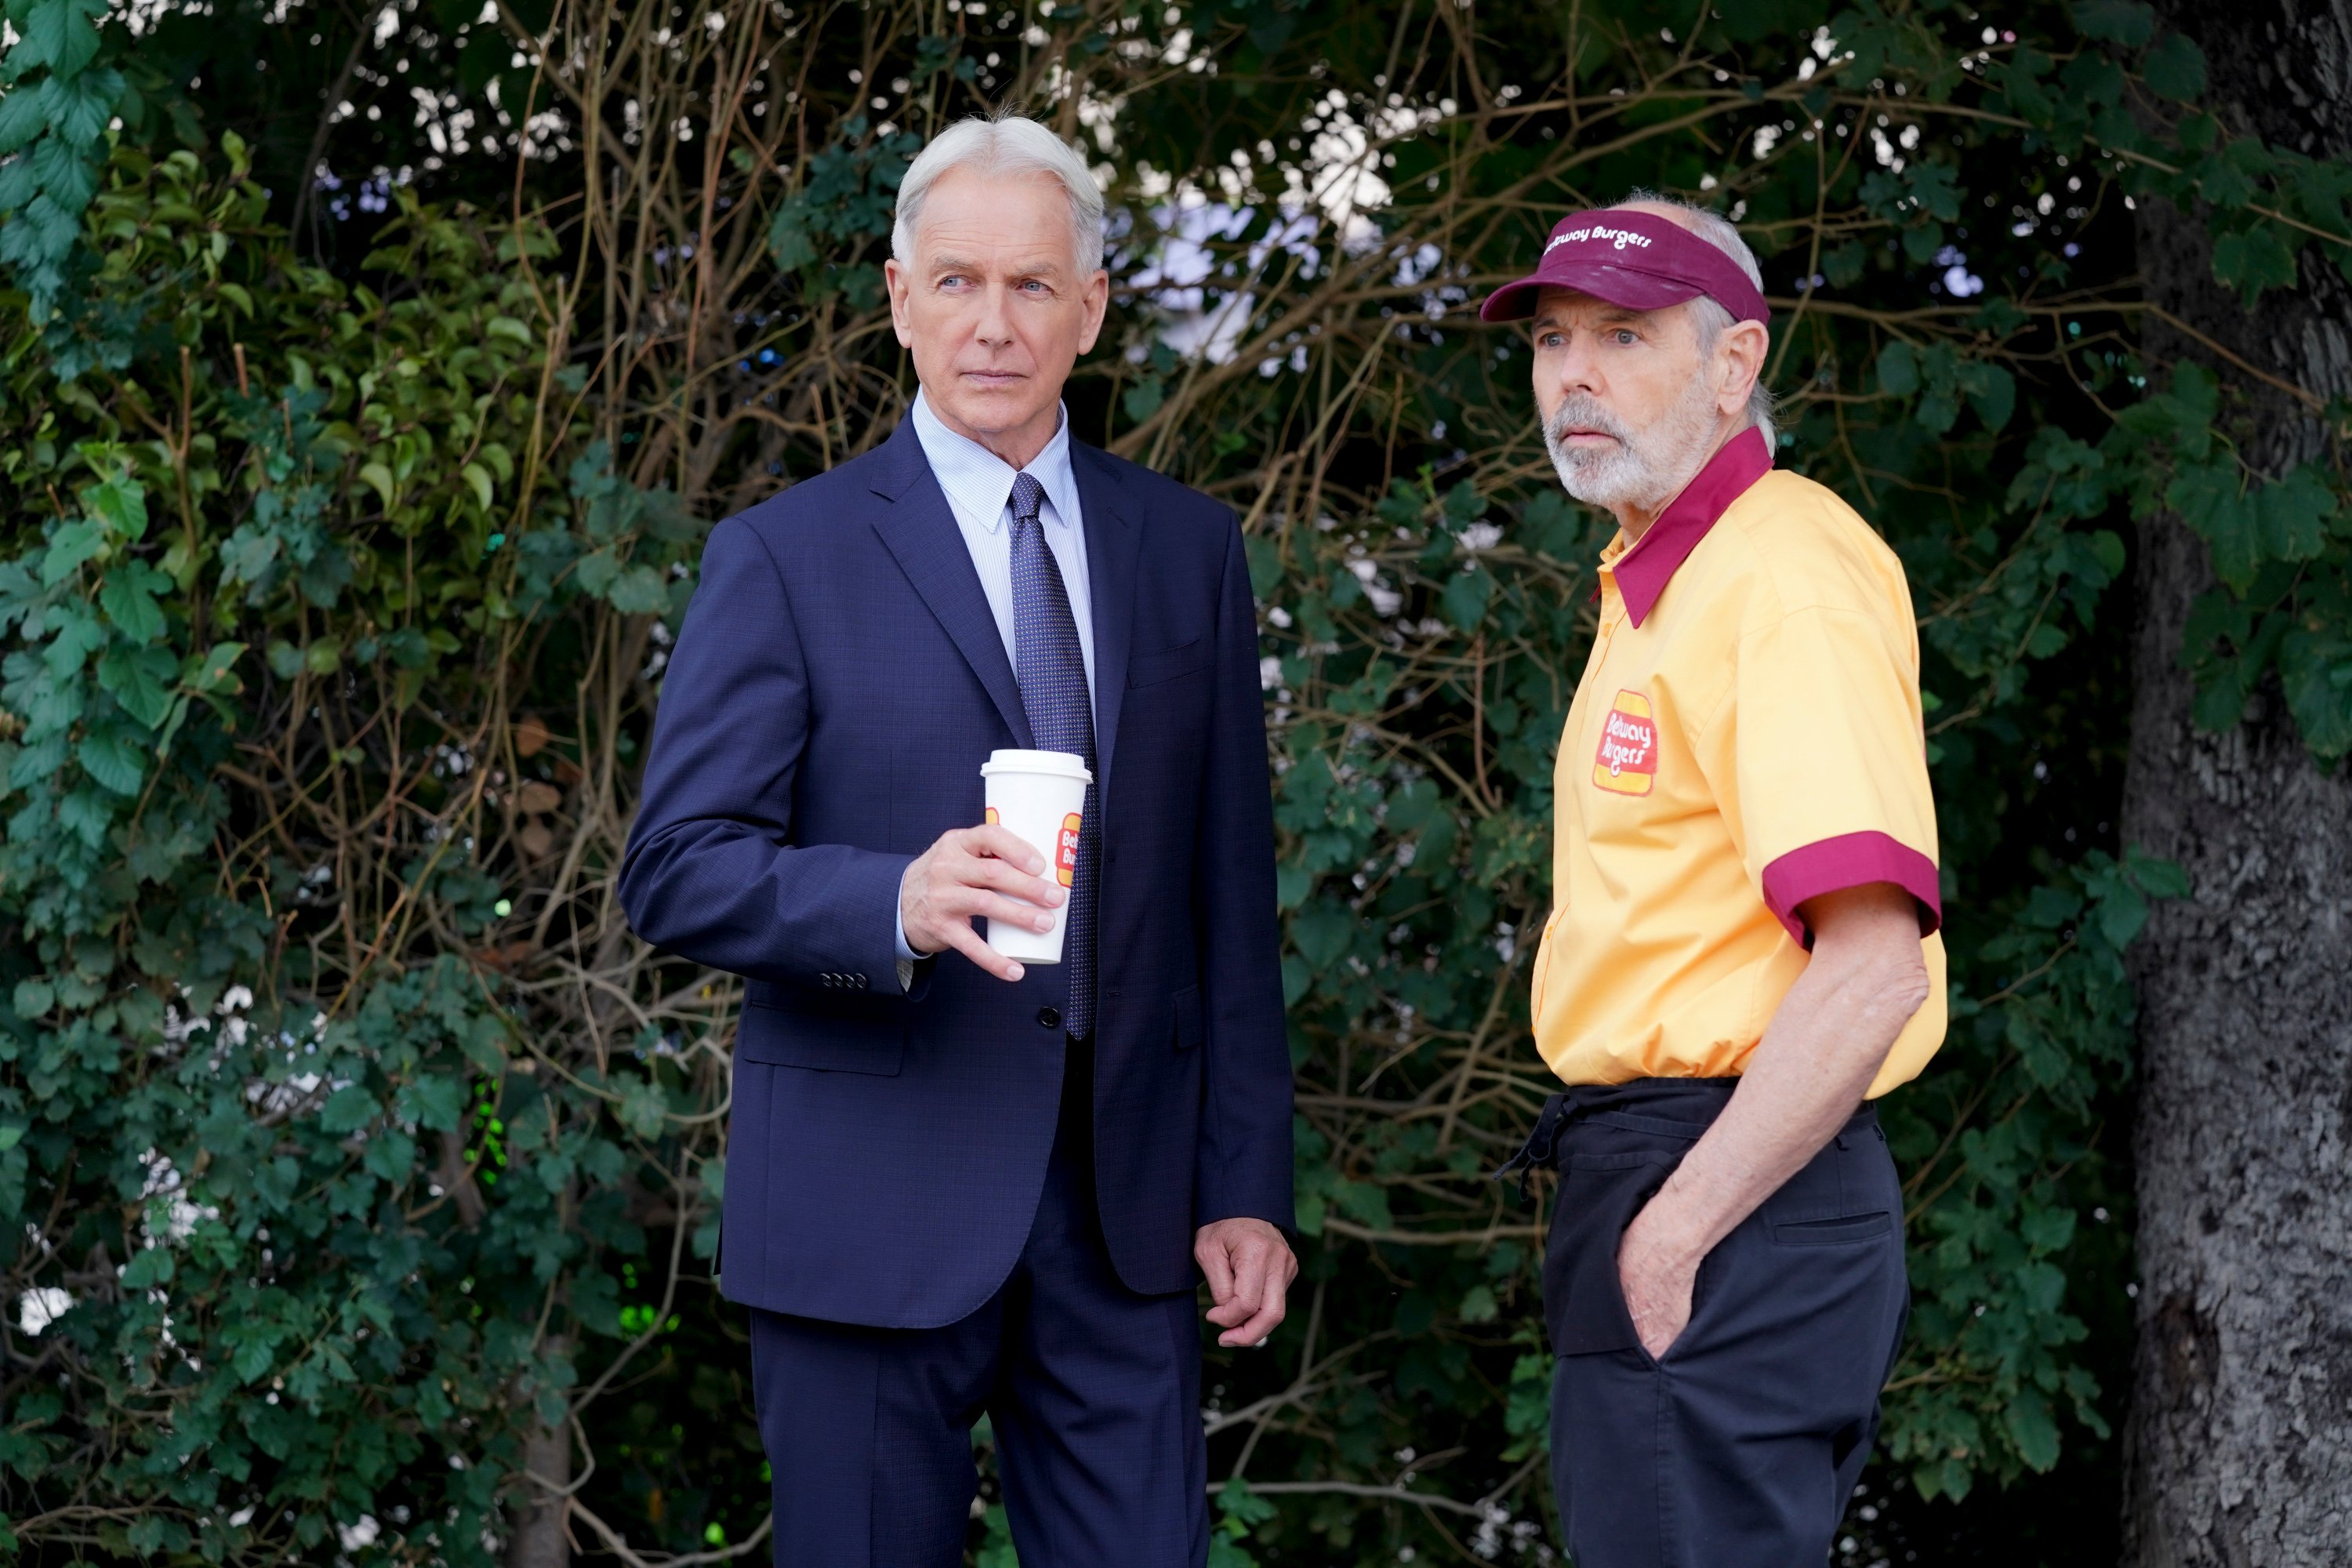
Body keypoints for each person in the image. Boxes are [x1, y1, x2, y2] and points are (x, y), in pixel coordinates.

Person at [618, 114, 1297, 1568]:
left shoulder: (1190, 550)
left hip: (1127, 1227)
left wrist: (1246, 1185)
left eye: (1036, 286)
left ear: (1094, 307)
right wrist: (892, 901)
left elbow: (1228, 903)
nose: (996, 324)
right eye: (960, 283)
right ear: (898, 296)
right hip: (871, 1217)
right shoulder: (784, 556)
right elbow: (673, 866)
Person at [1481, 196, 1947, 1565]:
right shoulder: (1659, 580)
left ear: (1734, 365)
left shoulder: (1782, 576)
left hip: (1730, 1187)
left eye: (1624, 335)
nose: (1574, 373)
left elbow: (1871, 967)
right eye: (1554, 339)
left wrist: (1673, 1234)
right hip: (1683, 1177)